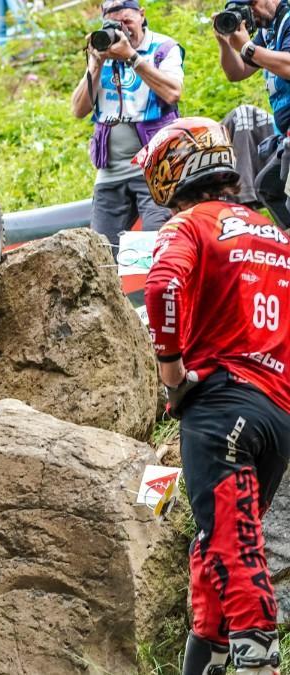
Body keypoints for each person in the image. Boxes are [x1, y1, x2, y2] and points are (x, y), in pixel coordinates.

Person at [136, 117, 290, 675]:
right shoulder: (275, 234)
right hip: (277, 417)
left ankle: (258, 660)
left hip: (220, 403)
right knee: (216, 541)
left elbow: (161, 286)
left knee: (235, 544)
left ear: (173, 173)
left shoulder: (188, 224)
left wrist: (172, 372)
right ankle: (205, 655)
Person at [71, 0, 183, 247]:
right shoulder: (103, 52)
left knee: (159, 243)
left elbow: (173, 93)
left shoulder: (163, 48)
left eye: (128, 21)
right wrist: (95, 65)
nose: (123, 30)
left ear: (142, 15)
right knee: (101, 250)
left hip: (156, 167)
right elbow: (78, 109)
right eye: (115, 24)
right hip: (111, 172)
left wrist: (132, 57)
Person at [216, 0, 290, 227]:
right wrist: (225, 43)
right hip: (285, 135)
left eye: (249, 8)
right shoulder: (268, 28)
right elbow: (237, 72)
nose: (249, 18)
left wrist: (248, 47)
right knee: (267, 186)